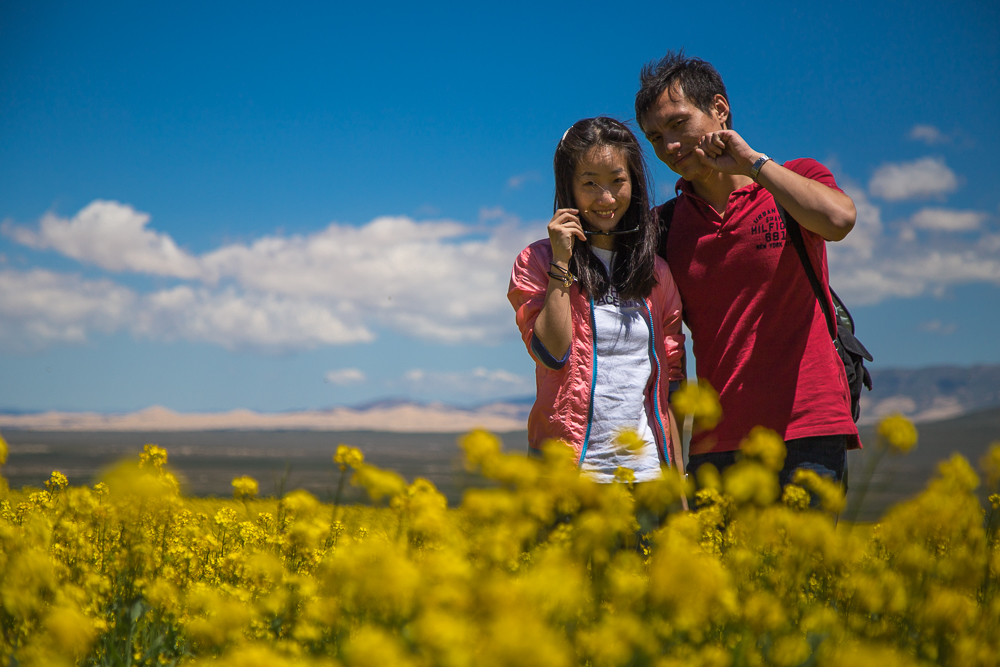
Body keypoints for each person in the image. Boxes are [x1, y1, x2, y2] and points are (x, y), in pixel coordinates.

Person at [634, 51, 859, 487]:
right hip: (713, 448)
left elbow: (839, 221)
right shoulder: (662, 226)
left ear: (720, 110)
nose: (669, 148)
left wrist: (753, 165)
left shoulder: (794, 179)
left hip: (807, 431)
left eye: (678, 124)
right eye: (656, 137)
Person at [508, 116, 684, 482]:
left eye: (618, 181)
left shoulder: (658, 272)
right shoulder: (535, 261)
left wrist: (677, 486)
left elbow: (673, 386)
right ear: (568, 187)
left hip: (646, 476)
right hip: (567, 477)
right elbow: (552, 353)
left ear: (633, 183)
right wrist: (561, 261)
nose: (606, 199)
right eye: (589, 183)